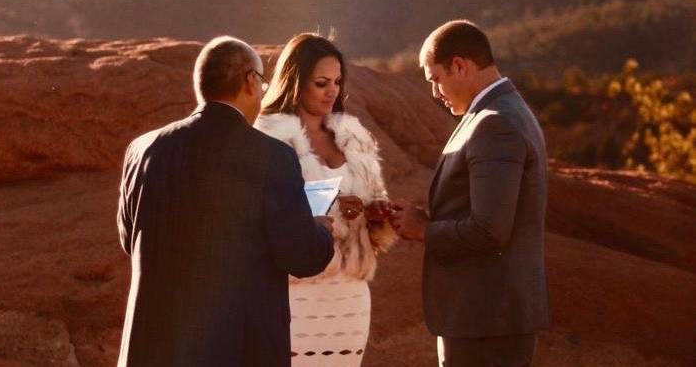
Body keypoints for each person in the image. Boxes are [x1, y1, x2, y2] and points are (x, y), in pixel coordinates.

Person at [116, 36, 335, 367]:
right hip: (235, 350)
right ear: (250, 81)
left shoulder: (143, 149)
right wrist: (321, 230)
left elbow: (130, 240)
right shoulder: (271, 157)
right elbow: (301, 255)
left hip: (152, 349)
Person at [390, 20, 550, 367]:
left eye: (436, 79)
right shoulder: (500, 111)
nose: (434, 93)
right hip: (486, 318)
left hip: (486, 321)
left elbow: (489, 229)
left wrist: (424, 230)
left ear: (459, 66)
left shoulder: (496, 123)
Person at [255, 33, 398, 367]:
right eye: (321, 82)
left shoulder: (354, 137)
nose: (332, 90)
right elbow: (257, 218)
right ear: (296, 81)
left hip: (349, 296)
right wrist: (321, 212)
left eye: (336, 81)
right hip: (293, 294)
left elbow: (376, 227)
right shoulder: (265, 137)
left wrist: (374, 215)